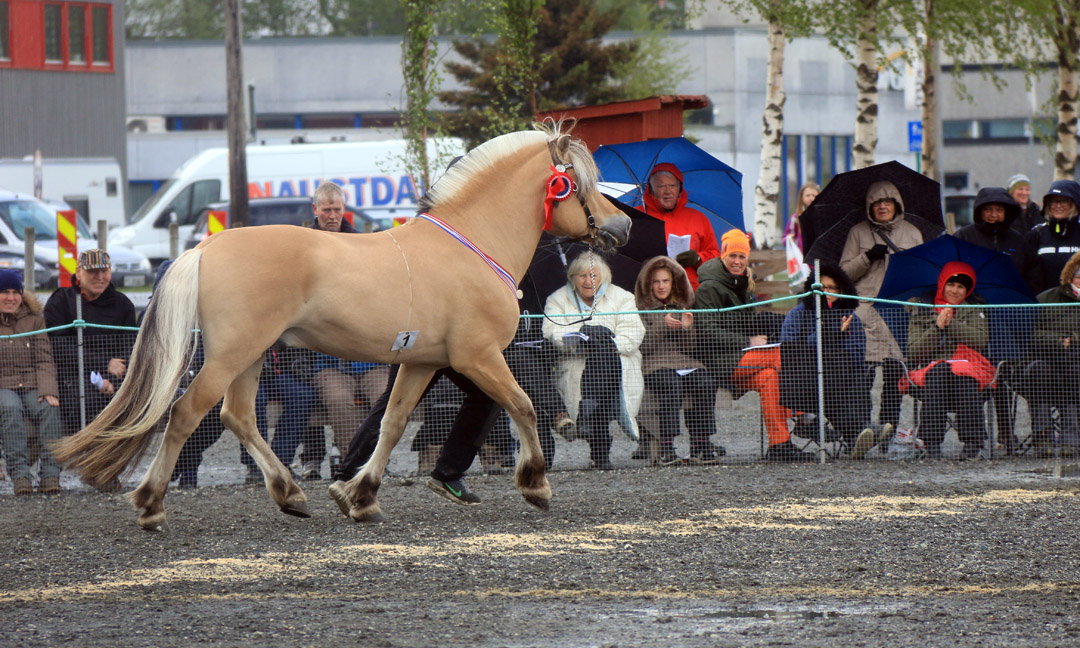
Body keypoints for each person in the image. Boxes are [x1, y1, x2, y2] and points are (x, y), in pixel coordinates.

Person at [695, 230, 812, 462]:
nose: (737, 261)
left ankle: (779, 445)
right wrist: (748, 341)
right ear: (723, 255)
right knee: (783, 355)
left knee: (770, 377)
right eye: (733, 255)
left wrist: (765, 325)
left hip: (742, 359)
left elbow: (744, 323)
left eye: (742, 256)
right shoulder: (708, 288)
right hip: (719, 363)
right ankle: (804, 416)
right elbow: (706, 333)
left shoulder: (744, 284)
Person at [301, 182, 390, 478]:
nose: (332, 215)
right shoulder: (304, 244)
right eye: (326, 210)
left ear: (344, 210)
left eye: (337, 209)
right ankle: (354, 464)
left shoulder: (362, 244)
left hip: (367, 355)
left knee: (383, 394)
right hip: (329, 359)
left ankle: (377, 461)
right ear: (316, 210)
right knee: (339, 400)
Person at [329, 364, 502, 507]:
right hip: (436, 340)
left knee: (393, 403)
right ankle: (449, 473)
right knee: (489, 393)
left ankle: (348, 476)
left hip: (424, 339)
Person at [839, 181, 924, 452]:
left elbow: (923, 275)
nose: (883, 206)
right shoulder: (858, 232)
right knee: (863, 374)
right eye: (877, 203)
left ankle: (888, 432)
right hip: (865, 310)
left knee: (894, 375)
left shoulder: (912, 233)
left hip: (899, 310)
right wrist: (867, 257)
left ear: (897, 204)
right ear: (869, 207)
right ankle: (864, 429)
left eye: (887, 202)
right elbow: (843, 274)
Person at [954, 186, 1038, 454]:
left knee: (1001, 378)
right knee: (973, 379)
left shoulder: (1017, 239)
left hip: (1008, 318)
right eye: (988, 209)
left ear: (1006, 212)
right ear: (980, 211)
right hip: (971, 316)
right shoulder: (964, 236)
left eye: (998, 209)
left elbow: (1030, 276)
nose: (993, 214)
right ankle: (974, 437)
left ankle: (1006, 433)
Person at [543, 254, 645, 470]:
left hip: (616, 361)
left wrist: (602, 346)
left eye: (593, 275)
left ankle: (593, 428)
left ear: (604, 277)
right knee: (594, 362)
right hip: (576, 359)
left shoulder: (623, 297)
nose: (588, 281)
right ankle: (600, 450)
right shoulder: (557, 299)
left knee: (601, 360)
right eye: (582, 276)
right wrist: (579, 341)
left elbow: (633, 333)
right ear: (572, 278)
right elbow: (552, 331)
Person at [633, 256, 723, 465]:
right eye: (656, 281)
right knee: (671, 385)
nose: (661, 286)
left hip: (684, 363)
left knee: (706, 383)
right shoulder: (640, 308)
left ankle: (701, 444)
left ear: (673, 283)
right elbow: (644, 347)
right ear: (649, 284)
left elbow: (689, 349)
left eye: (665, 281)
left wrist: (687, 328)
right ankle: (667, 447)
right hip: (654, 364)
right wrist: (663, 324)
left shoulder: (682, 305)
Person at [778, 262, 874, 457]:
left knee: (860, 375)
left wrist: (837, 342)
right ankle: (860, 432)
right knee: (837, 384)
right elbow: (792, 352)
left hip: (841, 378)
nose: (827, 292)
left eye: (832, 288)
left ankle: (858, 434)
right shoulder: (798, 315)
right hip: (805, 379)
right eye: (822, 287)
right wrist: (832, 334)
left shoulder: (850, 317)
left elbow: (856, 354)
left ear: (841, 290)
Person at [44, 249, 137, 449]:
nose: (100, 277)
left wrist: (111, 379)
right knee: (85, 402)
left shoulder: (123, 305)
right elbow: (57, 346)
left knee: (130, 410)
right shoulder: (61, 301)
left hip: (115, 377)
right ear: (79, 273)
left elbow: (130, 347)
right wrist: (103, 364)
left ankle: (110, 465)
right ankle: (87, 457)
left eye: (105, 271)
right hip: (71, 375)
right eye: (93, 272)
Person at [904, 262, 992, 459]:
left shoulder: (974, 309)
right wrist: (937, 328)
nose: (955, 290)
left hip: (968, 370)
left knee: (963, 374)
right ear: (942, 284)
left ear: (968, 290)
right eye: (951, 284)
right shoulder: (922, 308)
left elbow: (980, 340)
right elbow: (914, 352)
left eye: (961, 287)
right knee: (939, 372)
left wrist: (951, 324)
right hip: (932, 371)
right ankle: (931, 442)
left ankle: (973, 442)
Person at [0, 269, 64, 495]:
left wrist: (48, 390)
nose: (10, 298)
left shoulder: (35, 321)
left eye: (15, 292)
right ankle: (20, 476)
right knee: (10, 410)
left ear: (21, 294)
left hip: (31, 383)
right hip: (3, 386)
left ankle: (50, 476)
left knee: (49, 409)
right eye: (4, 292)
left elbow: (44, 359)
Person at [1018, 251, 1080, 457]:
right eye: (1079, 274)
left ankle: (1071, 439)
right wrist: (1058, 340)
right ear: (1071, 276)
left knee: (1075, 371)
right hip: (1046, 361)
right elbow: (1026, 333)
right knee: (1038, 371)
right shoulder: (1046, 298)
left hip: (1074, 366)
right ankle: (1042, 437)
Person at [638, 163, 720, 291]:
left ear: (680, 189)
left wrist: (697, 259)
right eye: (661, 186)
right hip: (649, 292)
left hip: (689, 291)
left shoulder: (698, 218)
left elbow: (715, 257)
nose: (668, 191)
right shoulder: (636, 216)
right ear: (651, 189)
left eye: (672, 185)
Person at [1024, 179, 1080, 294]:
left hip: (1076, 304)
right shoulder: (1037, 233)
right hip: (1045, 305)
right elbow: (1028, 271)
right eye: (1054, 201)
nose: (1058, 206)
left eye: (1064, 201)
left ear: (1074, 203)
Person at [784, 182, 820, 253]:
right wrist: (789, 239)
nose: (811, 198)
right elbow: (786, 238)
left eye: (814, 195)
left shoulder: (823, 216)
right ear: (802, 197)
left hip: (818, 256)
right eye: (808, 195)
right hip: (801, 257)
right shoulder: (796, 218)